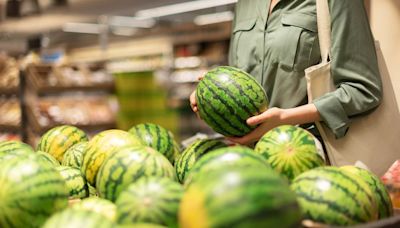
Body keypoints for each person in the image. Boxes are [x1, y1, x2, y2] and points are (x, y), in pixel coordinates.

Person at [190, 0, 382, 145]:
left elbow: (363, 90)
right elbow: (240, 83)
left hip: (308, 153)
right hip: (252, 159)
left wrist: (285, 118)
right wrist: (210, 95)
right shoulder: (245, 4)